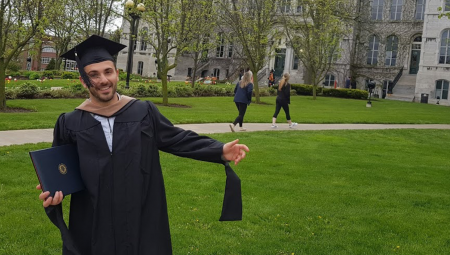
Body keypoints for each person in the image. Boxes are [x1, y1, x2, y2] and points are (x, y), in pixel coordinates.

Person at [36, 35, 249, 255]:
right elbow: (59, 169)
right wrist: (52, 191)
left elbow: (177, 139)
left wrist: (219, 150)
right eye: (94, 74)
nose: (103, 80)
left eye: (108, 72)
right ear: (83, 81)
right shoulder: (70, 123)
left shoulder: (143, 111)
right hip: (93, 216)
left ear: (117, 74)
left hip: (140, 212)